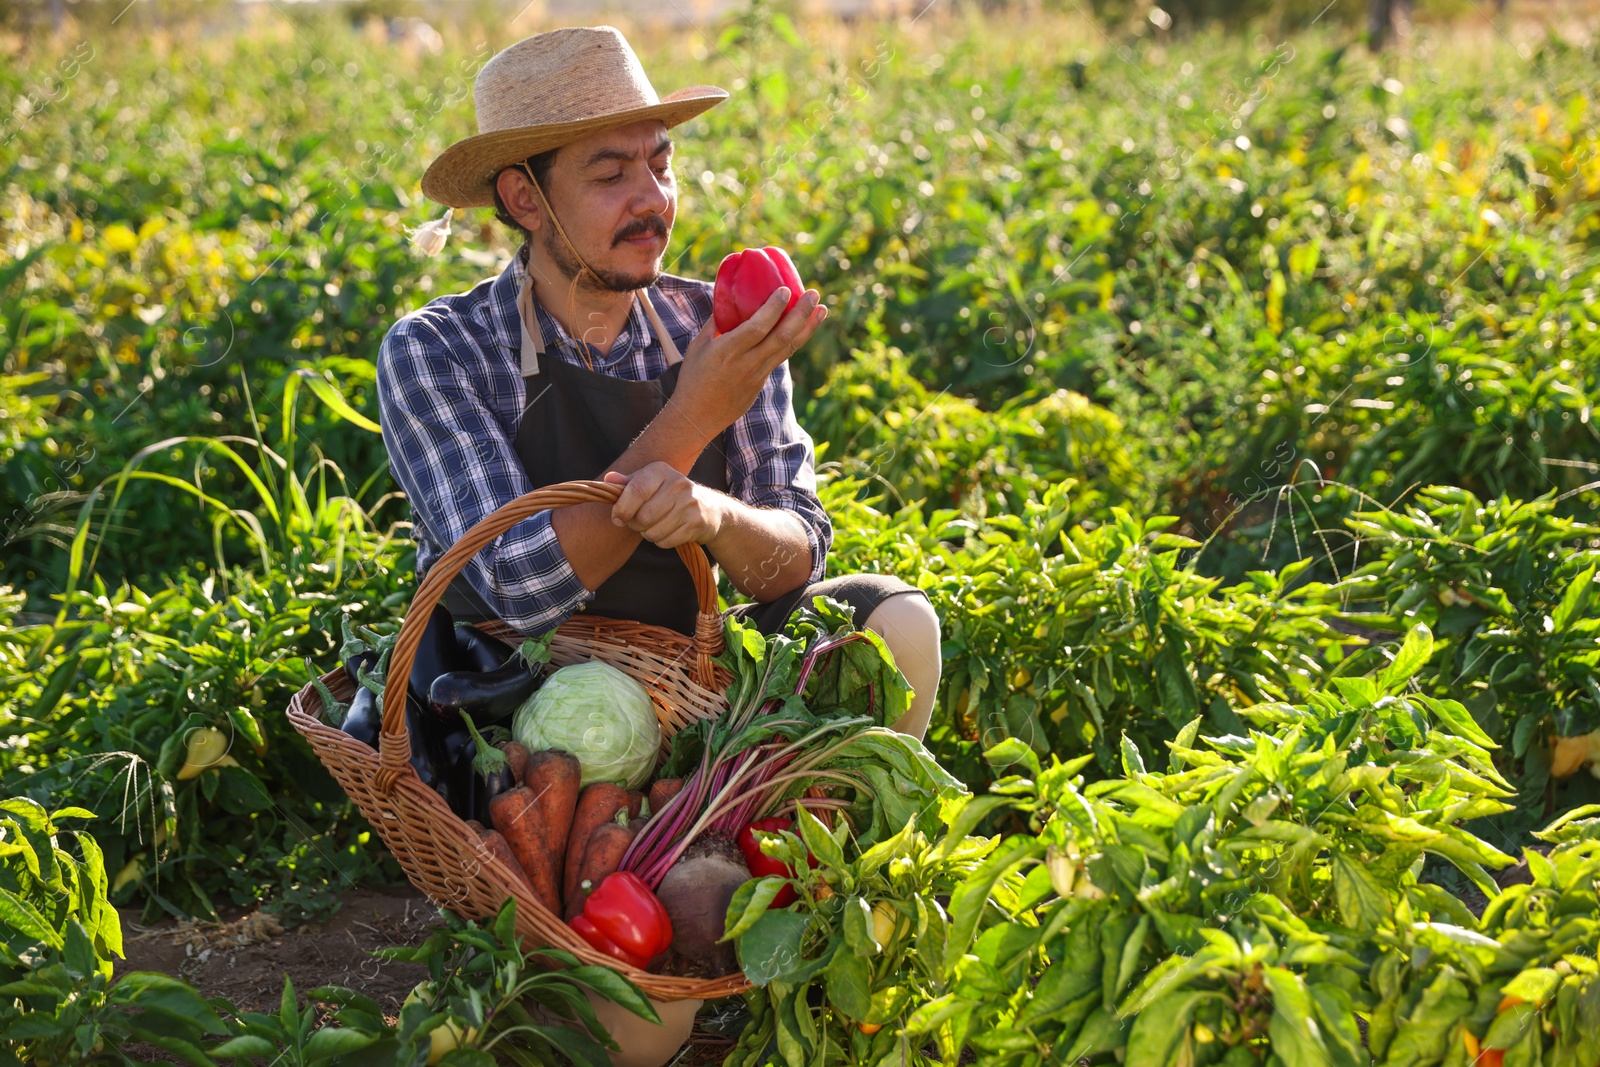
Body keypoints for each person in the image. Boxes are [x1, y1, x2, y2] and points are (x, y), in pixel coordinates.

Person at [375, 28, 942, 1063]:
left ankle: (826, 909)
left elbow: (798, 551)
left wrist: (716, 517)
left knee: (897, 621)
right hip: (537, 729)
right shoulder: (435, 350)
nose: (654, 197)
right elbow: (511, 587)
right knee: (645, 1026)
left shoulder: (710, 321)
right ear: (522, 199)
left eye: (661, 162)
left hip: (699, 676)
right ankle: (650, 943)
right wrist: (691, 414)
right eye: (610, 171)